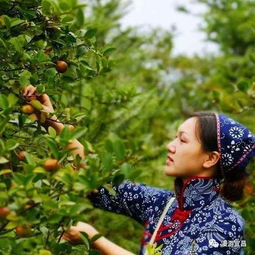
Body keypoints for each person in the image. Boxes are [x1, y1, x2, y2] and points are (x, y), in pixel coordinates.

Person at [22, 85, 255, 255]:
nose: (170, 146)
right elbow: (96, 181)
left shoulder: (227, 226)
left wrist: (96, 240)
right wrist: (52, 122)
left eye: (182, 140)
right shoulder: (164, 205)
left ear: (210, 158)